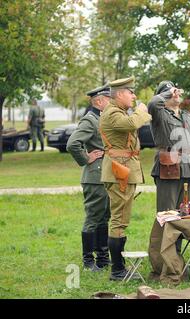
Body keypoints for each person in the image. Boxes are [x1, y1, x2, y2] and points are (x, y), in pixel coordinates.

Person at [99, 76, 151, 281]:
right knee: (119, 221)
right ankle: (117, 271)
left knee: (122, 220)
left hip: (122, 170)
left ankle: (119, 268)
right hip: (118, 171)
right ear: (120, 94)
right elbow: (132, 123)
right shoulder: (112, 113)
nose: (134, 96)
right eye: (131, 92)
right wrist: (142, 110)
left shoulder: (117, 111)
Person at [147, 81, 190, 253]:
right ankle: (163, 259)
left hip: (188, 170)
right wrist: (168, 93)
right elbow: (152, 103)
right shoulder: (159, 113)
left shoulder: (187, 116)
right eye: (171, 92)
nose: (176, 94)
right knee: (167, 215)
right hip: (168, 169)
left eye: (176, 91)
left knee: (182, 215)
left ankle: (176, 256)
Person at [67, 85, 112, 271]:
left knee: (103, 218)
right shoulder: (90, 120)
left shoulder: (101, 118)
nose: (112, 103)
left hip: (104, 176)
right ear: (99, 101)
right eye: (109, 100)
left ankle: (102, 258)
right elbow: (72, 144)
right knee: (93, 218)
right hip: (94, 177)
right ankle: (88, 262)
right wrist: (86, 157)